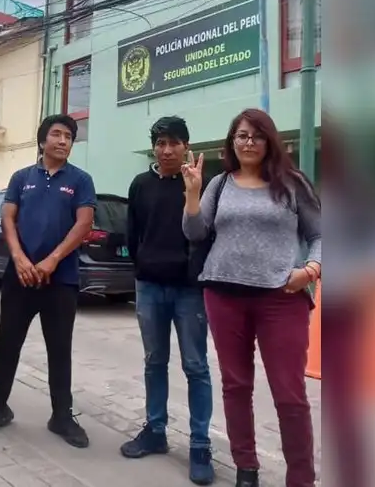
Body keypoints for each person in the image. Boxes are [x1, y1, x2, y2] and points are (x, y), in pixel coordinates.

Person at [182, 108, 321, 487]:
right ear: (232, 141)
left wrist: (310, 270)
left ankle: (301, 478)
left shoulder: (293, 184)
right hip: (224, 294)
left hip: (282, 297)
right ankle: (246, 467)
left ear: (269, 140)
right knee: (236, 384)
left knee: (290, 395)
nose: (248, 142)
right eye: (241, 136)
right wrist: (193, 194)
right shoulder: (220, 184)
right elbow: (195, 232)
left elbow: (321, 235)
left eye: (256, 136)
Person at [0, 114, 95, 448]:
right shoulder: (21, 177)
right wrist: (20, 259)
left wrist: (53, 260)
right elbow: (7, 217)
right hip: (20, 277)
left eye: (68, 136)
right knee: (8, 342)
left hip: (62, 279)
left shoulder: (80, 180)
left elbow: (84, 223)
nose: (63, 140)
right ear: (43, 141)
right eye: (56, 134)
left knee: (60, 349)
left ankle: (62, 416)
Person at [121, 116, 214, 484]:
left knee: (196, 366)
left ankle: (200, 444)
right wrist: (140, 265)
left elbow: (206, 234)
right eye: (161, 143)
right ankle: (156, 431)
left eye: (175, 142)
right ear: (154, 147)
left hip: (189, 290)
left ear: (186, 146)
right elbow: (133, 230)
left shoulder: (198, 185)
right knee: (154, 361)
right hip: (149, 287)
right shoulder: (141, 184)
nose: (167, 149)